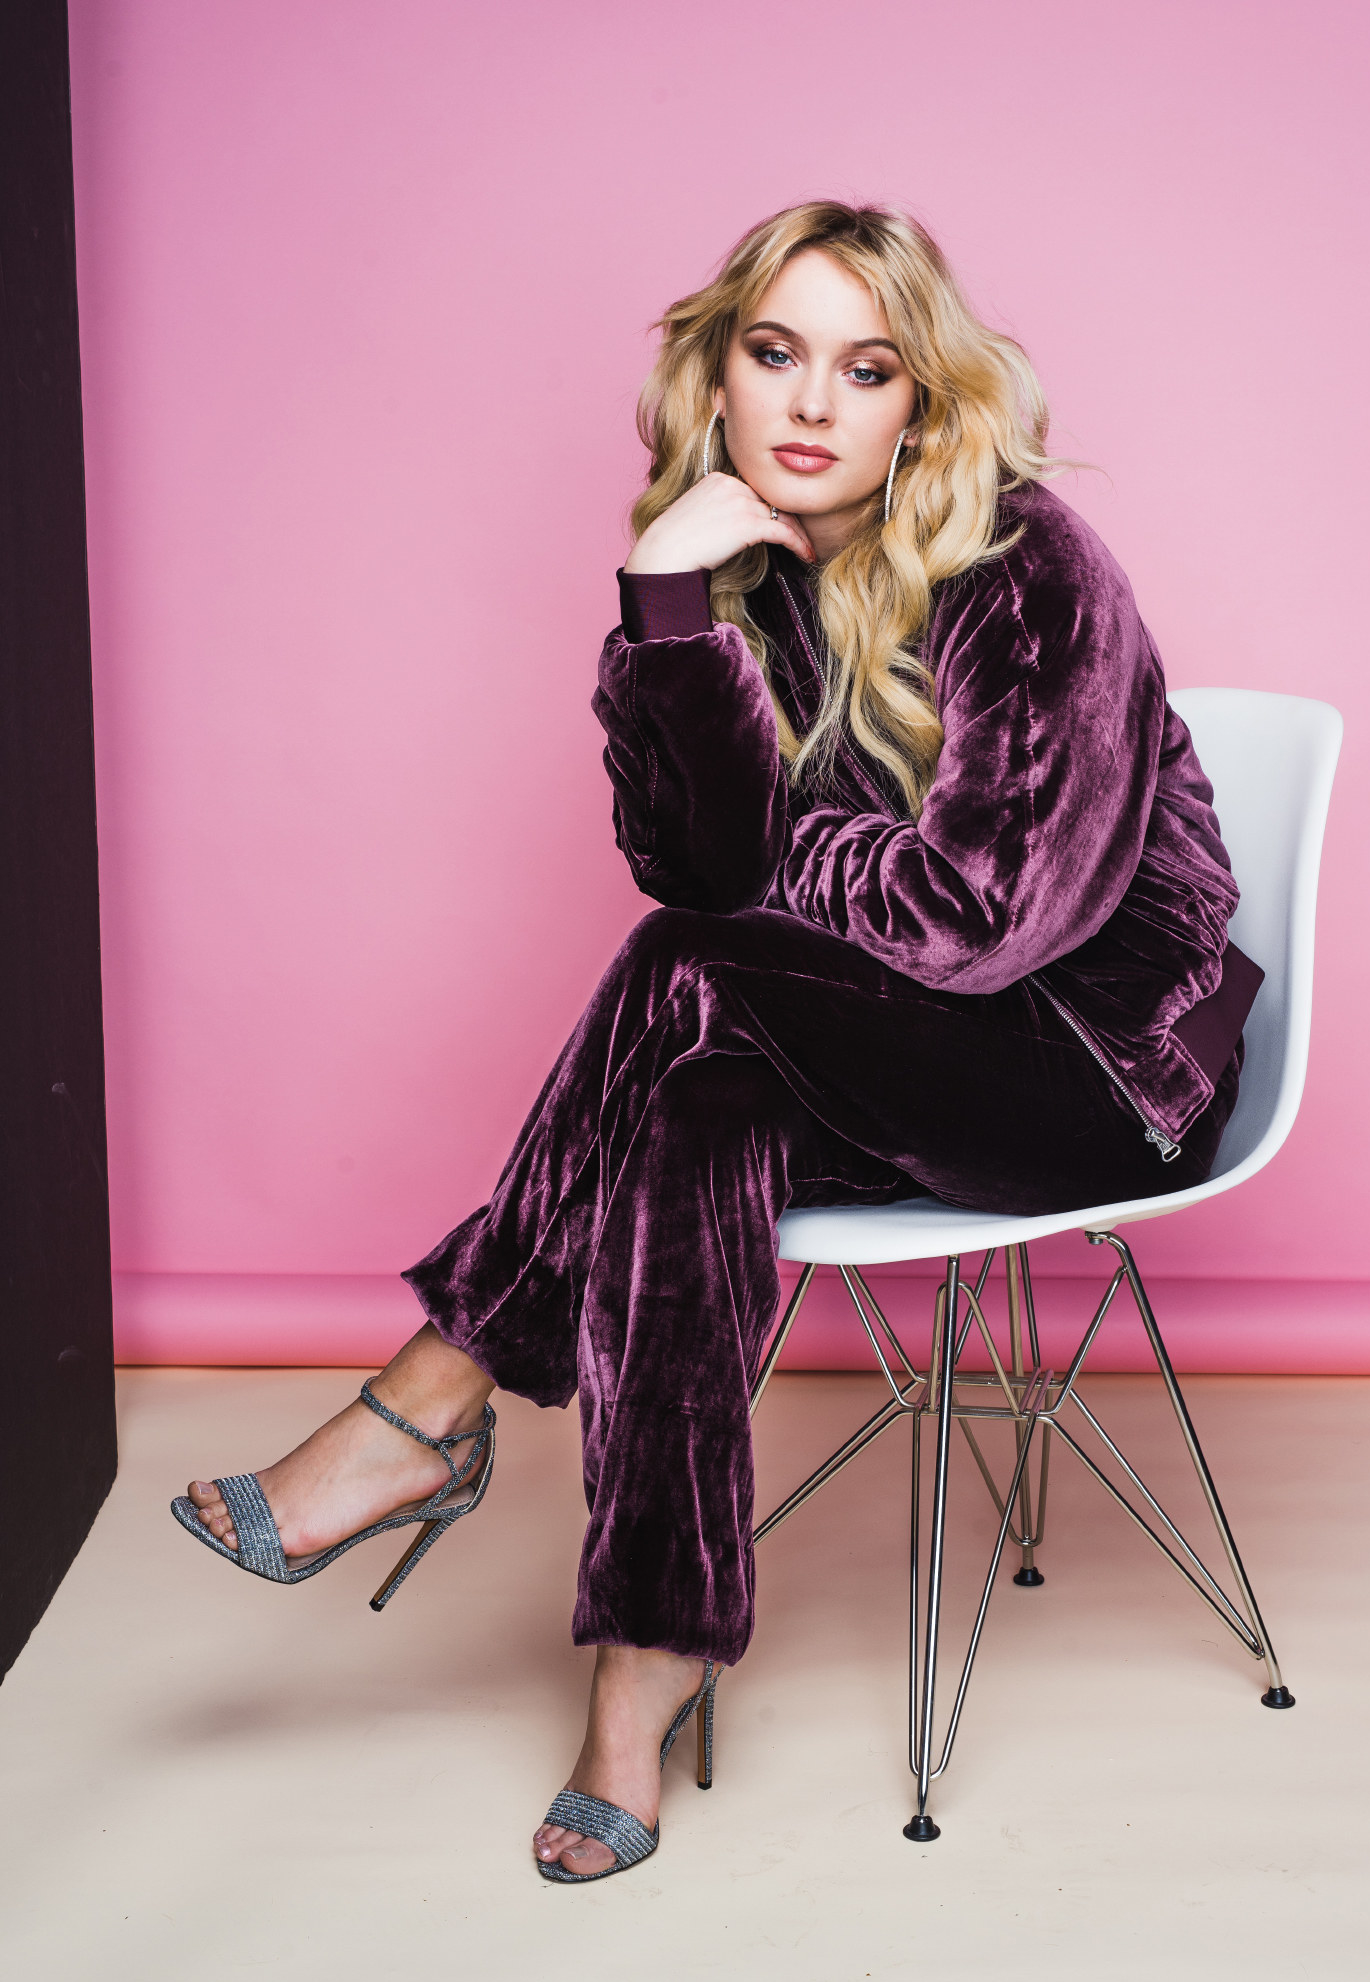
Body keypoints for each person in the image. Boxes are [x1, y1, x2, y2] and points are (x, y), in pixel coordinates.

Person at [173, 201, 1257, 1883]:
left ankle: (431, 1404)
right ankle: (649, 1657)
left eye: (867, 368)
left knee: (693, 967)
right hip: (868, 1055)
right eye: (776, 354)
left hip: (1097, 1073)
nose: (813, 402)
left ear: (924, 402)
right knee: (692, 1119)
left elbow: (984, 923)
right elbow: (691, 867)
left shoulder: (1026, 567)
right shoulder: (738, 577)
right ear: (720, 375)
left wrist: (771, 870)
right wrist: (670, 612)